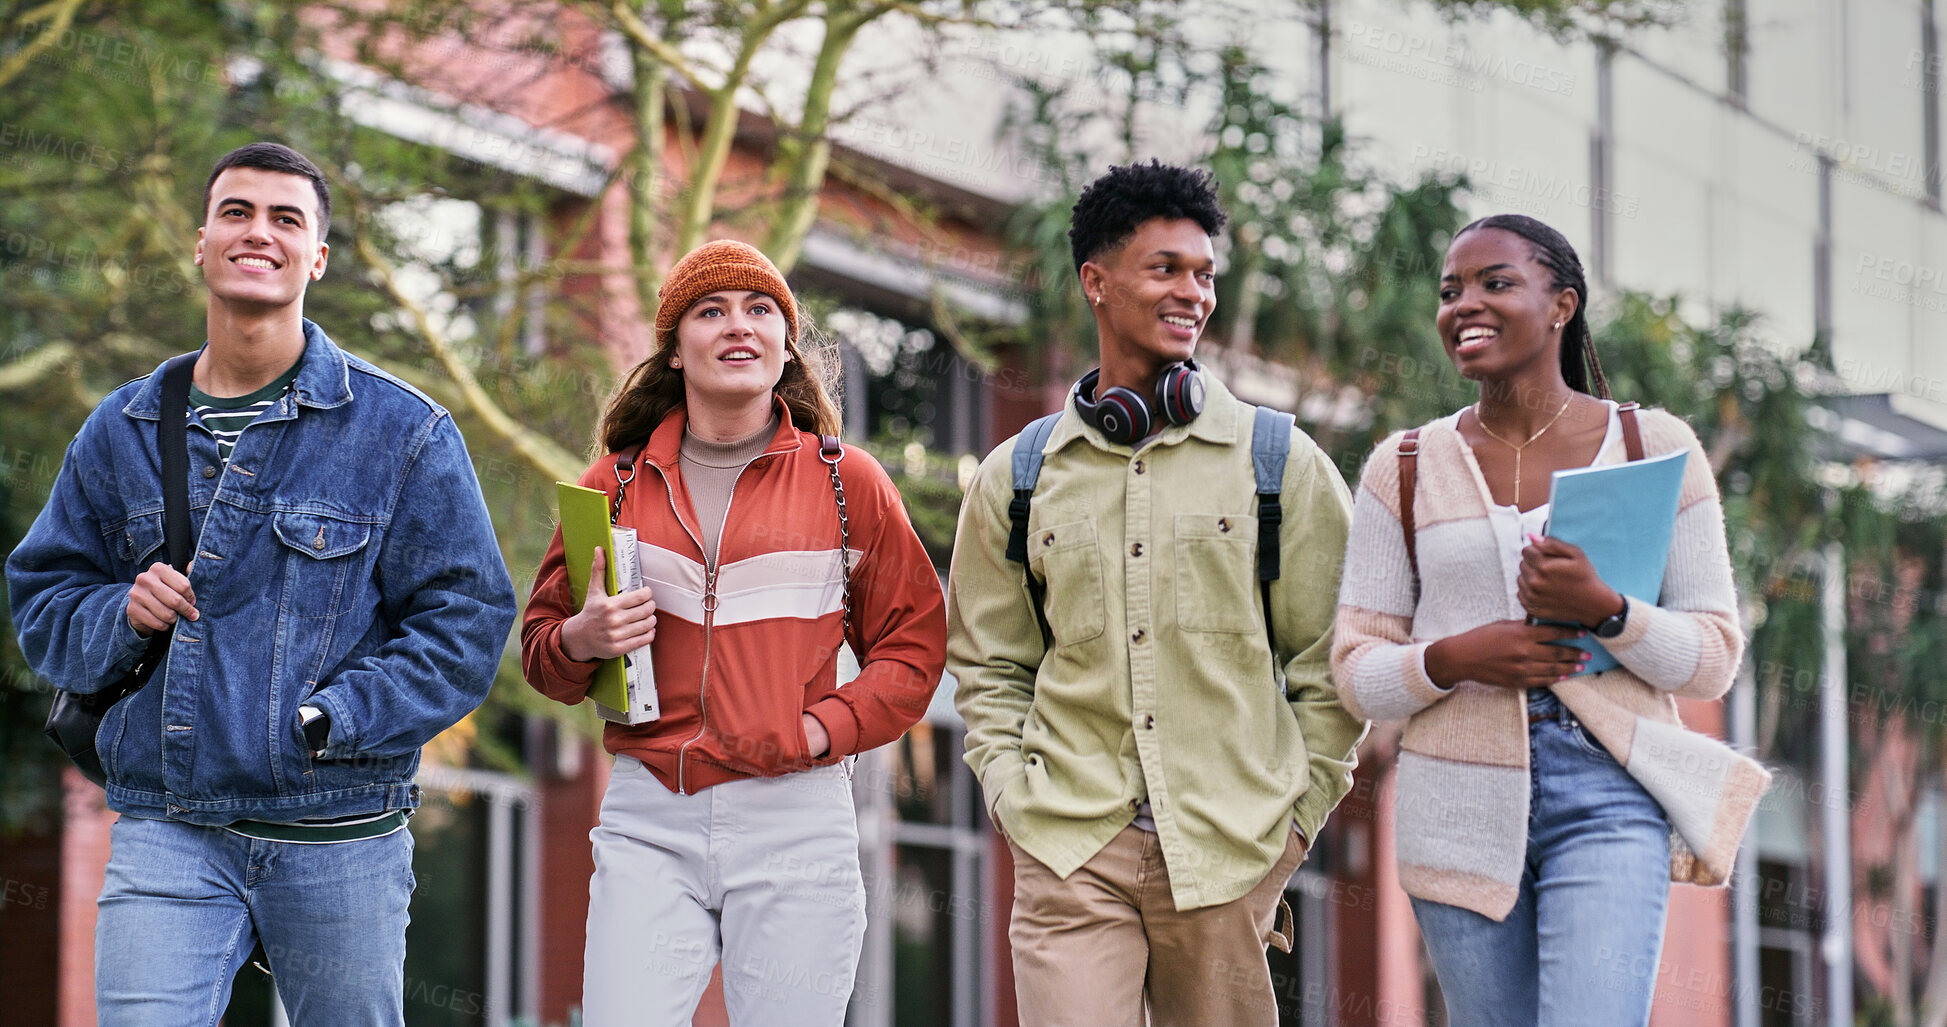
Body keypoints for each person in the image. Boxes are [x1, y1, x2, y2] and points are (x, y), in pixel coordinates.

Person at [7, 142, 517, 1026]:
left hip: (343, 833)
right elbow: (43, 596)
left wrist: (334, 718)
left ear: (316, 256)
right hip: (169, 826)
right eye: (237, 212)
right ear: (201, 243)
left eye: (288, 218)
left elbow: (466, 620)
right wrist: (118, 613)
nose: (259, 232)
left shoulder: (404, 432)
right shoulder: (121, 428)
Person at [947, 160, 1365, 1027]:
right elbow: (988, 666)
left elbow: (1334, 663)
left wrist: (1292, 827)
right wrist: (1011, 794)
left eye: (1204, 273)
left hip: (1228, 851)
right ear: (1095, 283)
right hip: (1069, 844)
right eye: (1165, 268)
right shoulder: (1015, 478)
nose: (1192, 292)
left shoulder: (1280, 463)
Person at [1332, 214, 1768, 1027]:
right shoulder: (1401, 466)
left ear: (1561, 303)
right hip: (1455, 802)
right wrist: (1459, 655)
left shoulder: (1651, 445)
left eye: (1495, 283)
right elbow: (1356, 671)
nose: (1465, 303)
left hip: (1607, 791)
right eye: (1450, 290)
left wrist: (1606, 611)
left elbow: (1710, 659)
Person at [520, 239, 946, 1027]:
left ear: (786, 344)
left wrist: (823, 730)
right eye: (709, 311)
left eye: (759, 311)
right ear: (675, 350)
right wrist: (582, 637)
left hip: (796, 813)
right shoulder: (610, 485)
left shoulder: (845, 481)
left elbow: (913, 647)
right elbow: (543, 655)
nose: (736, 326)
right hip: (651, 813)